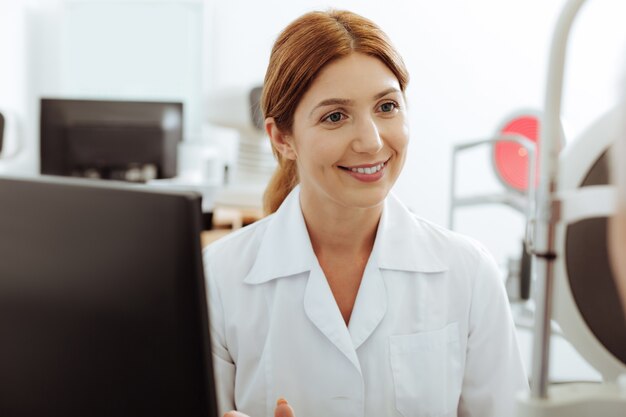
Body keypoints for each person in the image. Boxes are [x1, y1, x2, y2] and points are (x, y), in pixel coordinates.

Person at [204, 9, 529, 417]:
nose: (371, 141)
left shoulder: (468, 272)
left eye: (387, 107)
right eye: (335, 116)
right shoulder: (217, 278)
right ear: (282, 138)